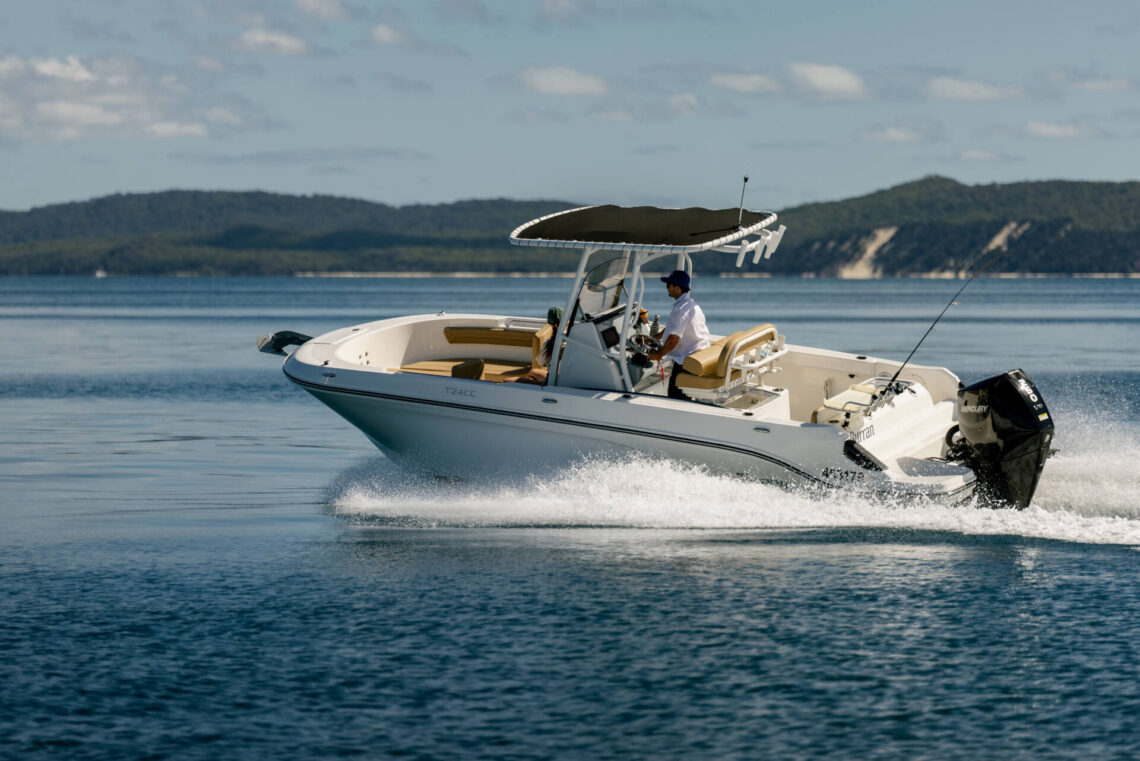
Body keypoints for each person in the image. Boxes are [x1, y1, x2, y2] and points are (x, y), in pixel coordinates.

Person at [647, 270, 710, 400]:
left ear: (678, 288)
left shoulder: (681, 310)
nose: (667, 288)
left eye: (669, 285)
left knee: (674, 395)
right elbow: (672, 328)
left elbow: (673, 339)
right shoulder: (689, 304)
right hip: (699, 353)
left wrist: (659, 354)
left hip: (688, 359)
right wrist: (653, 338)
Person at [513, 306, 562, 384]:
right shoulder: (572, 340)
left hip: (554, 381)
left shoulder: (549, 344)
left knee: (532, 372)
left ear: (549, 323)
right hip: (566, 379)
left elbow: (540, 362)